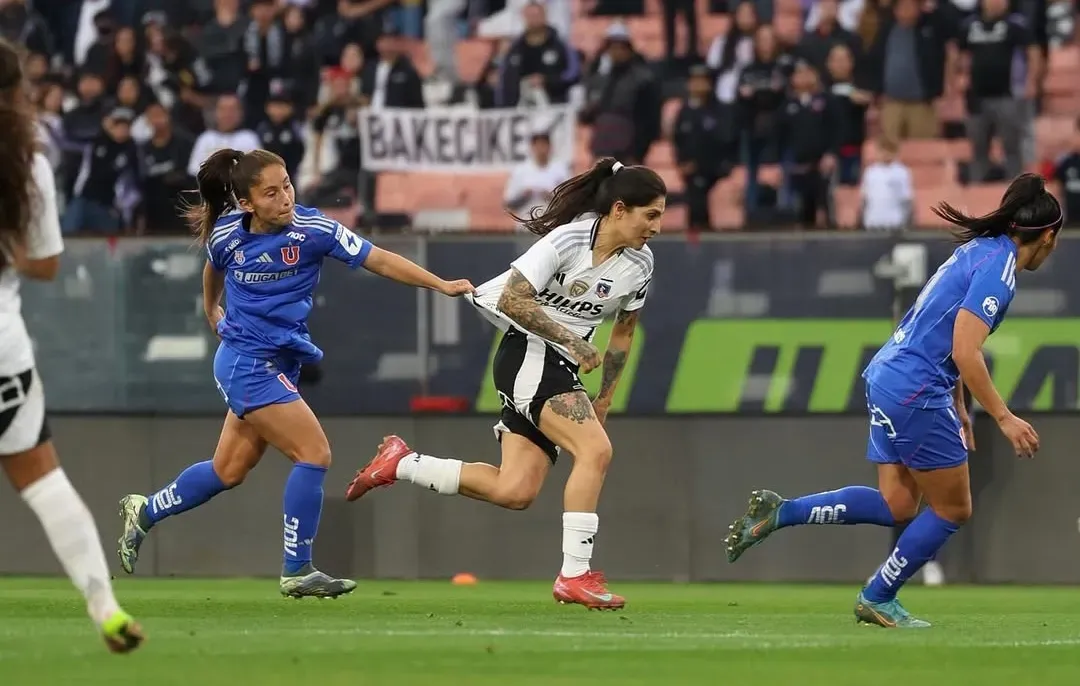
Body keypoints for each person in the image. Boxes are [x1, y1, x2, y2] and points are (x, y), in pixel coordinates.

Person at [117, 148, 474, 598]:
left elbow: (378, 257)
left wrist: (439, 284)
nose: (285, 197)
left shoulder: (314, 230)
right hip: (247, 363)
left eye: (286, 184)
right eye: (270, 192)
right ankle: (297, 569)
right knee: (314, 452)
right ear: (247, 203)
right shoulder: (227, 234)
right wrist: (211, 308)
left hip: (276, 362)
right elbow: (213, 267)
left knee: (227, 470)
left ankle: (144, 511)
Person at [724, 173, 1061, 628]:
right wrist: (1002, 417)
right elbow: (964, 349)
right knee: (953, 509)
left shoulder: (975, 252)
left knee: (897, 505)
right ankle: (878, 596)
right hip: (917, 387)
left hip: (888, 376)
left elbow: (938, 329)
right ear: (1048, 236)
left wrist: (960, 405)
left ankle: (783, 511)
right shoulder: (998, 272)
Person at [345, 158, 666, 610]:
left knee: (514, 491)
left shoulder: (641, 264)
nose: (657, 226)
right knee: (596, 451)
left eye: (661, 215)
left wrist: (605, 400)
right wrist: (573, 340)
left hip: (561, 367)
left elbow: (623, 333)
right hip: (530, 356)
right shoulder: (569, 240)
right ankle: (574, 576)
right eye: (649, 214)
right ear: (618, 209)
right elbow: (514, 299)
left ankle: (402, 463)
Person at [0, 39, 142, 652]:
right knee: (43, 481)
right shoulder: (26, 160)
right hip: (3, 348)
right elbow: (50, 263)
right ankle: (106, 608)